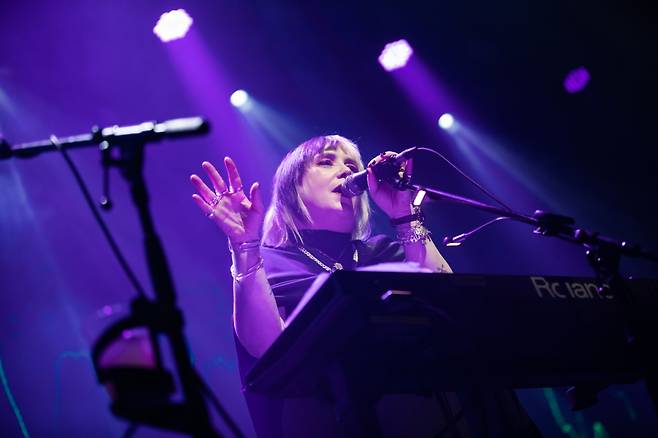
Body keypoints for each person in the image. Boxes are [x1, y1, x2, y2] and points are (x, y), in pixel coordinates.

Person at [190, 135, 541, 437]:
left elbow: (447, 296)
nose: (345, 169)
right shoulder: (273, 262)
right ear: (290, 189)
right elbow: (268, 347)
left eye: (351, 162)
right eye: (326, 162)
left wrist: (405, 216)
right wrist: (245, 247)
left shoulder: (380, 250)